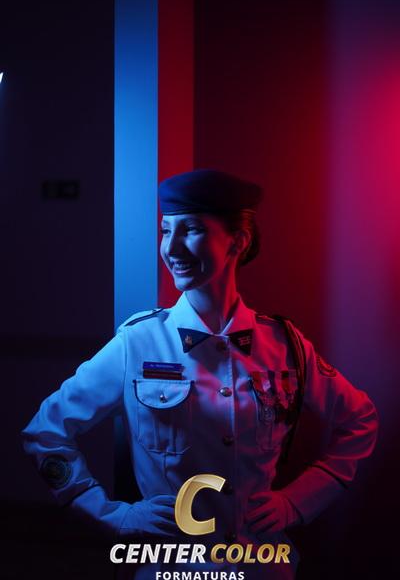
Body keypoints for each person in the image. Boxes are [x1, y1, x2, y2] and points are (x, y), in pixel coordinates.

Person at [22, 169, 379, 579]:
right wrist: (108, 514)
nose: (171, 247)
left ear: (238, 241)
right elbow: (44, 431)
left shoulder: (286, 345)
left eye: (190, 229)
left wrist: (296, 501)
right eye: (165, 230)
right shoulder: (138, 342)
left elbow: (360, 420)